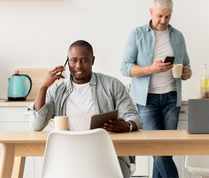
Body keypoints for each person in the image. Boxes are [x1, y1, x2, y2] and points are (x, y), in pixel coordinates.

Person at [29, 40, 143, 178]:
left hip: (109, 154)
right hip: (69, 156)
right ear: (67, 62)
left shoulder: (112, 85)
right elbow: (36, 125)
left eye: (84, 60)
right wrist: (43, 87)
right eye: (73, 60)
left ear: (92, 60)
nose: (78, 66)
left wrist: (127, 126)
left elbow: (133, 116)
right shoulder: (57, 91)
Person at [120, 0, 191, 178]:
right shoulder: (137, 34)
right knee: (158, 149)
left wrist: (186, 73)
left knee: (166, 150)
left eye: (167, 17)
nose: (163, 21)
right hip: (147, 100)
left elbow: (187, 66)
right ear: (151, 12)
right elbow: (125, 68)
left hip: (171, 98)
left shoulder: (178, 36)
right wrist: (151, 69)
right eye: (159, 16)